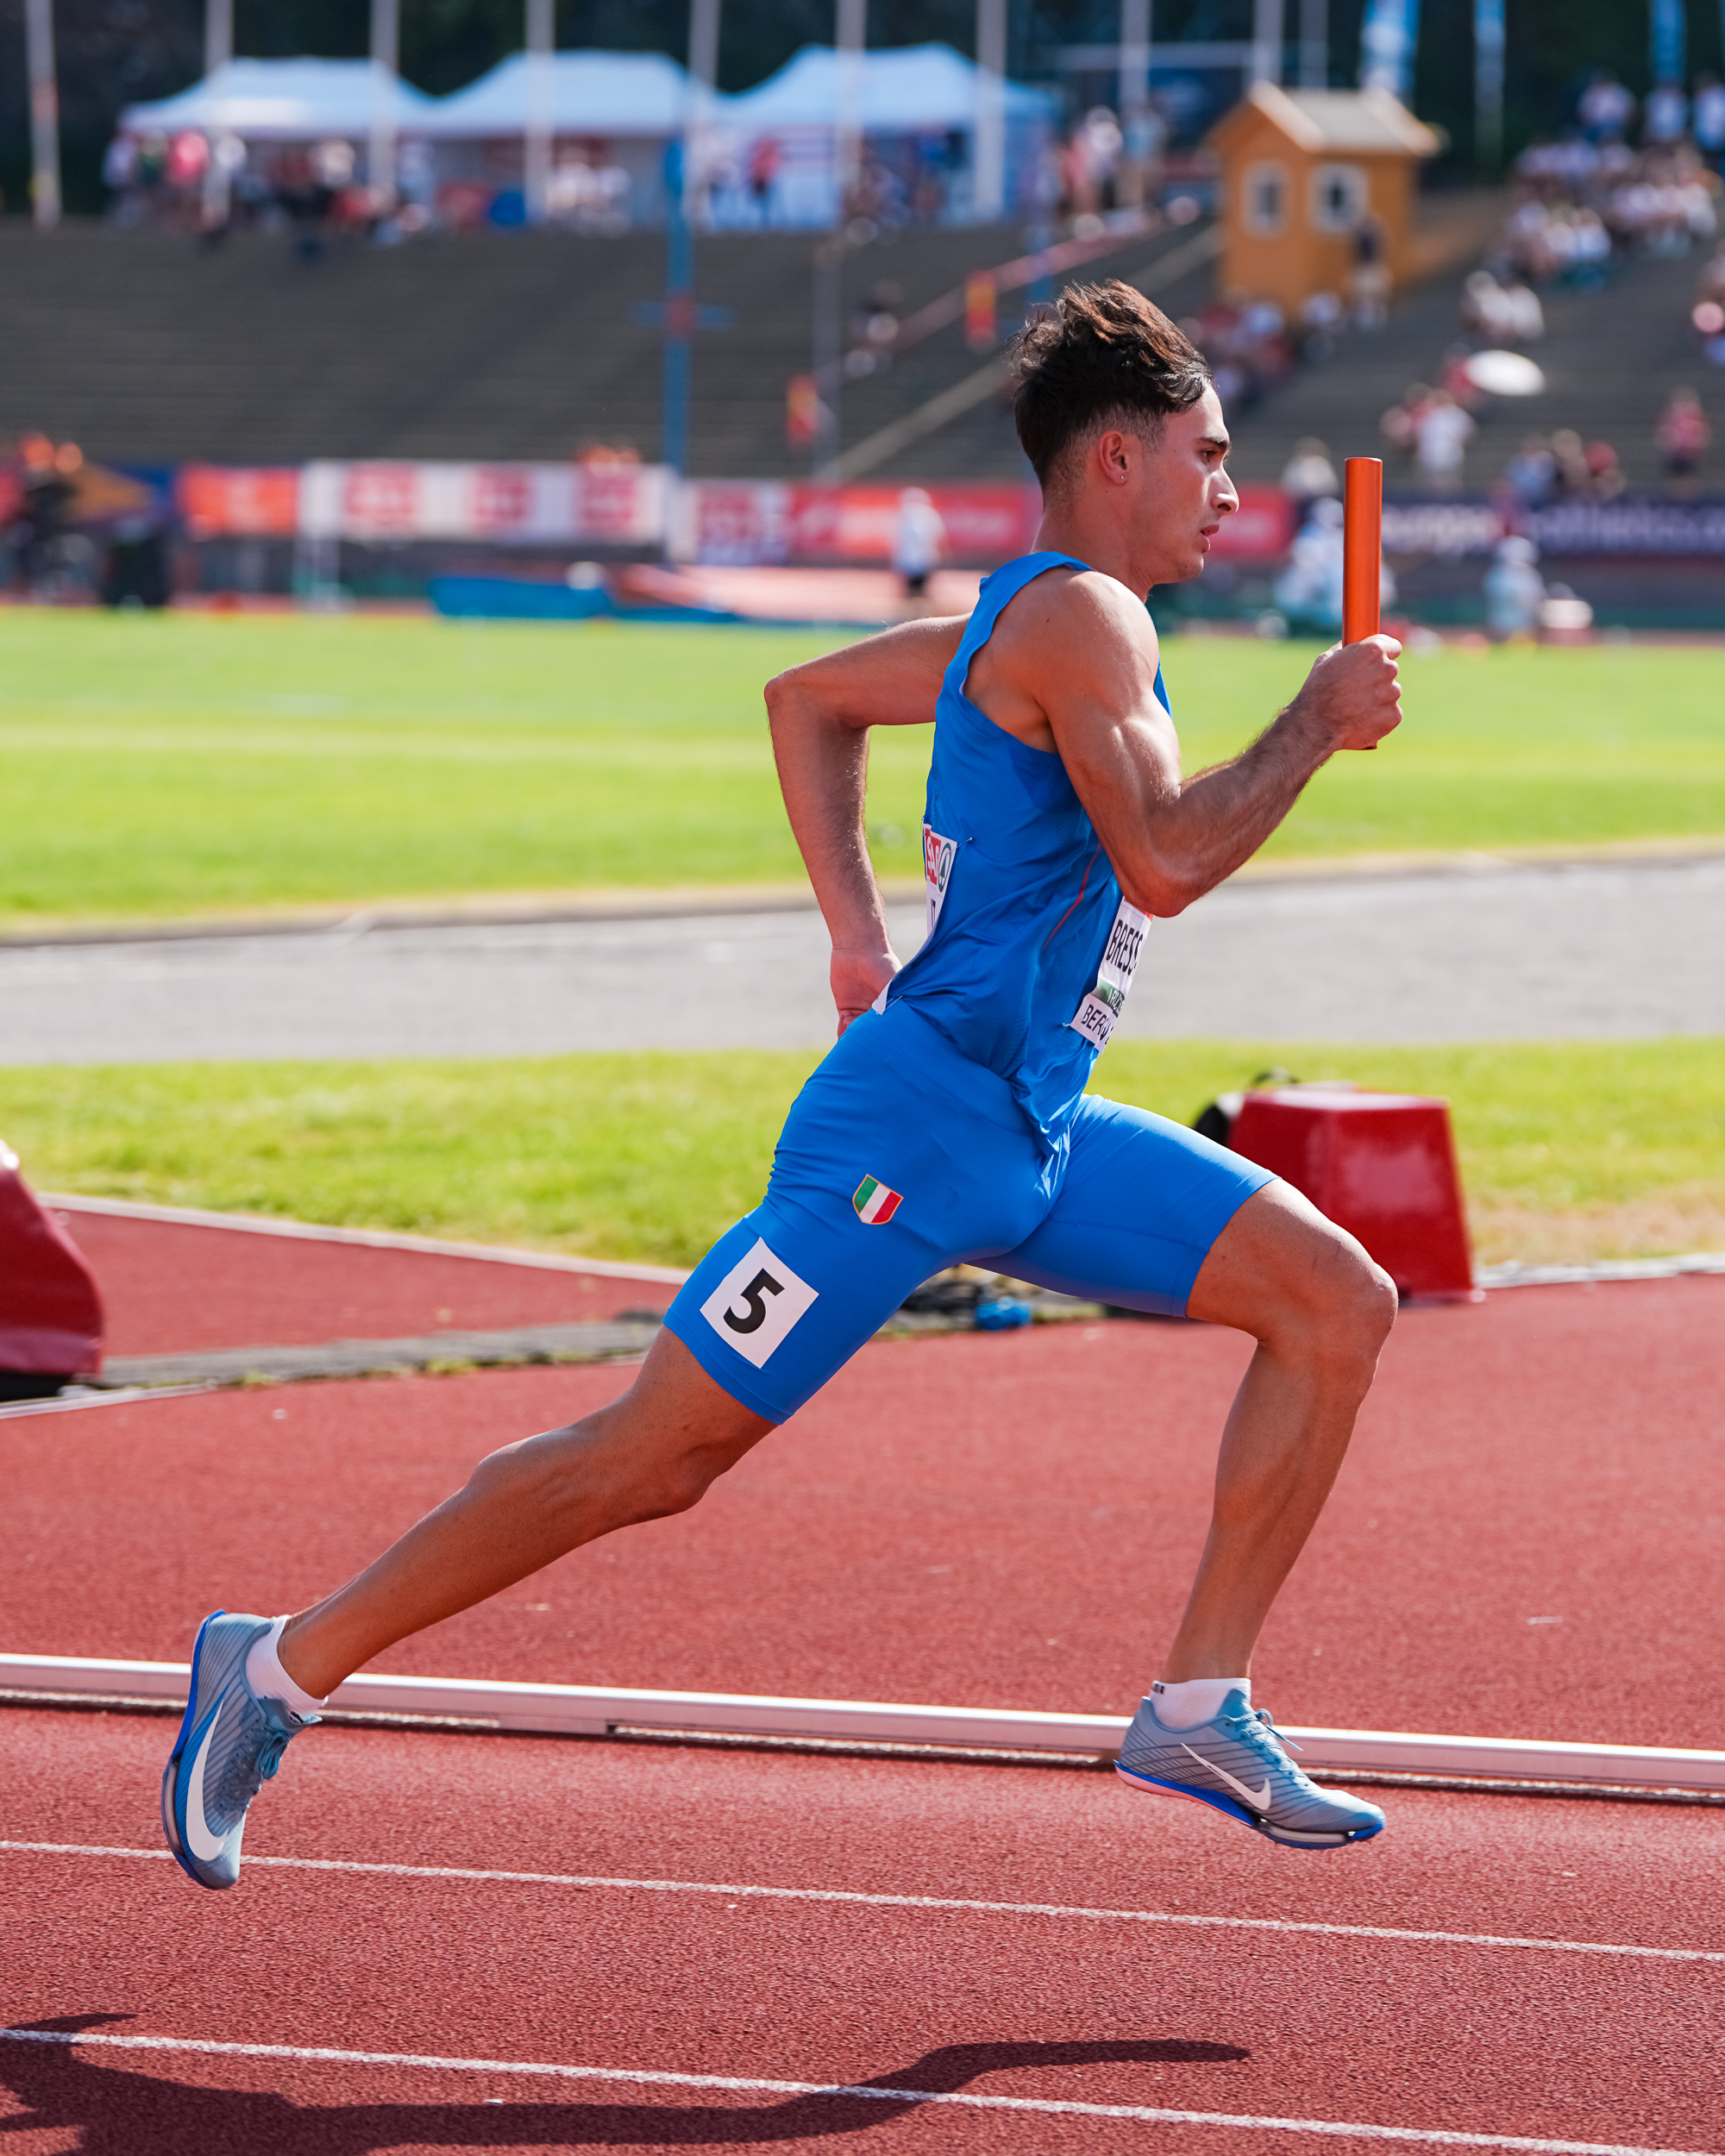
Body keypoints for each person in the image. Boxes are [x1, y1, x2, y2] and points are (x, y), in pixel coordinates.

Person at [161, 280, 1403, 1891]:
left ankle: (1195, 1704)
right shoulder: (1087, 619)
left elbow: (806, 699)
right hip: (910, 1137)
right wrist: (1315, 720)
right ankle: (275, 1669)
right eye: (1208, 453)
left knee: (1334, 1301)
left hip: (1028, 1129)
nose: (1231, 490)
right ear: (1116, 457)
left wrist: (856, 938)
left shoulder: (1023, 625)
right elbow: (1163, 862)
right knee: (652, 1458)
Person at [892, 486, 946, 604]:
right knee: (916, 591)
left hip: (919, 559)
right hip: (917, 559)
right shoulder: (906, 516)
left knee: (917, 591)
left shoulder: (907, 515)